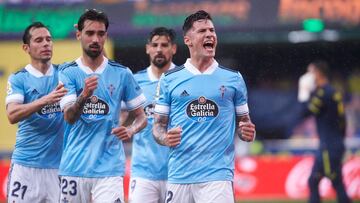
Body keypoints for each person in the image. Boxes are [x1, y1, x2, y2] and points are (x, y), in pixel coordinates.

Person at [152, 10, 256, 203]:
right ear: (188, 40)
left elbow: (244, 123)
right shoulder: (169, 79)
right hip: (179, 175)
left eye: (212, 30)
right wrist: (165, 138)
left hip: (217, 176)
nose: (210, 35)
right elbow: (158, 126)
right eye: (202, 31)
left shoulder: (234, 79)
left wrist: (246, 132)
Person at [58, 9, 147, 203]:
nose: (95, 39)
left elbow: (142, 117)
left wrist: (131, 130)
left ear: (106, 36)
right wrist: (84, 96)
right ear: (78, 35)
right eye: (89, 33)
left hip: (109, 169)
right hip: (74, 167)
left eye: (100, 33)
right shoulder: (68, 72)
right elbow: (69, 117)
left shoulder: (122, 73)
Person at [5, 22, 67, 202]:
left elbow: (97, 67)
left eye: (49, 39)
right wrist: (46, 99)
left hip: (58, 168)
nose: (46, 44)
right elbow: (12, 114)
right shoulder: (19, 78)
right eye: (39, 40)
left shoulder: (64, 74)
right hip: (26, 167)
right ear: (26, 48)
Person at [121, 27, 177, 203]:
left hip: (178, 172)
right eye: (155, 45)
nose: (159, 49)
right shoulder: (135, 81)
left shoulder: (183, 79)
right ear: (147, 48)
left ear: (173, 48)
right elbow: (122, 116)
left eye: (164, 44)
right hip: (143, 172)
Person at [297, 60, 352, 203]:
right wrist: (339, 140)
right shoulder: (332, 92)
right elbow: (342, 121)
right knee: (314, 181)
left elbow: (304, 112)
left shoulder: (323, 93)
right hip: (332, 144)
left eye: (310, 72)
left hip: (329, 146)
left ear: (318, 73)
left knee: (335, 181)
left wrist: (303, 92)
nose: (307, 76)